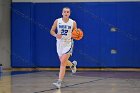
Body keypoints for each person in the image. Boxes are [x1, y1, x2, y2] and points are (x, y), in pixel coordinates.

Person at [50, 7, 78, 89]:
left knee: (62, 62)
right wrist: (56, 35)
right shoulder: (57, 21)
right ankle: (72, 65)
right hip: (59, 44)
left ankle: (59, 82)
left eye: (68, 12)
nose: (66, 13)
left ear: (70, 13)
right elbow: (51, 30)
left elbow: (76, 33)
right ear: (62, 13)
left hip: (68, 44)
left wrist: (77, 35)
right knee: (64, 61)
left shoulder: (73, 23)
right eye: (64, 12)